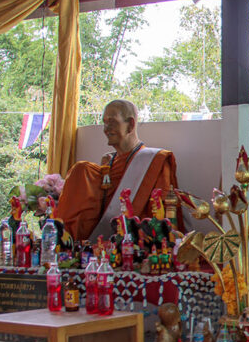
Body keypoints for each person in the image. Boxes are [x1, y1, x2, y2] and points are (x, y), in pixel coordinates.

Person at [54, 99, 178, 241]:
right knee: (81, 169)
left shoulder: (154, 161)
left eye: (112, 122)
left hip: (135, 243)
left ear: (130, 125)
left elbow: (160, 215)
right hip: (98, 245)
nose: (106, 129)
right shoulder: (107, 164)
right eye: (105, 122)